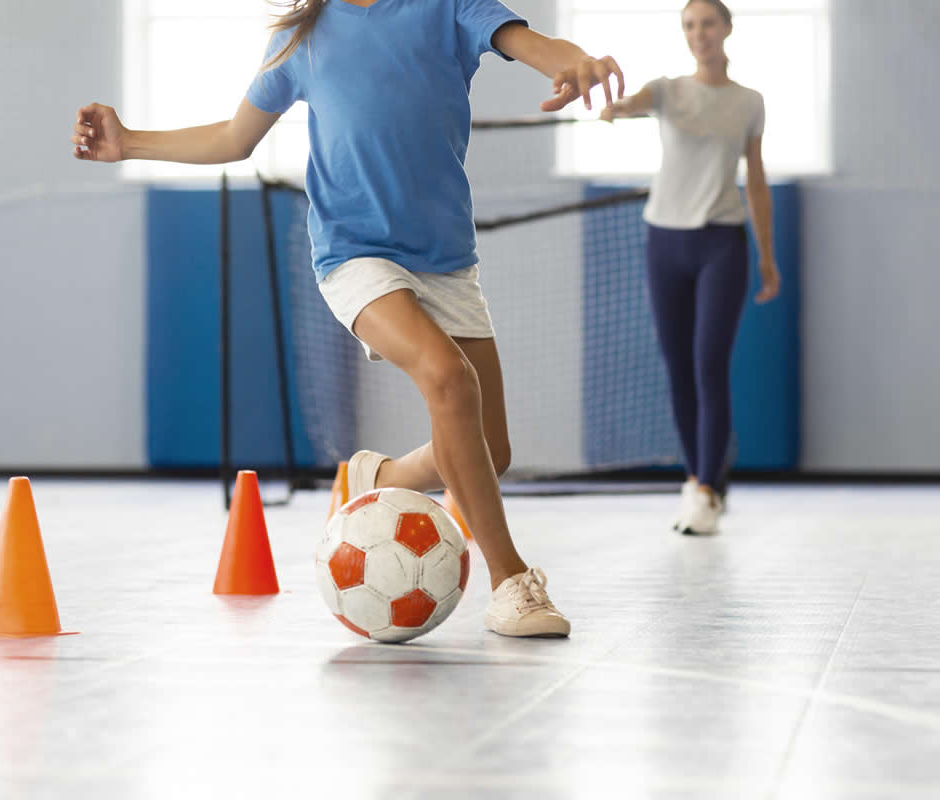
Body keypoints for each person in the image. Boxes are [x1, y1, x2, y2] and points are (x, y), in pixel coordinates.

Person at [71, 0, 625, 636]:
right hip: (353, 255)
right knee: (449, 377)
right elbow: (234, 136)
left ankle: (384, 476)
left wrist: (576, 60)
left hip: (446, 261)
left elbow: (527, 42)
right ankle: (512, 583)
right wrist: (129, 142)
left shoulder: (445, 7)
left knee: (489, 450)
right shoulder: (300, 37)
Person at [600, 0, 779, 536]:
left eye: (707, 23)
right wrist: (617, 107)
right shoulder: (669, 89)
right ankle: (697, 478)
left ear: (726, 29)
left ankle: (706, 488)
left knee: (708, 366)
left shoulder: (750, 101)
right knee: (678, 370)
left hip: (721, 243)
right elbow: (635, 102)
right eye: (689, 26)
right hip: (665, 243)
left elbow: (757, 180)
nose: (698, 34)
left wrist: (767, 255)